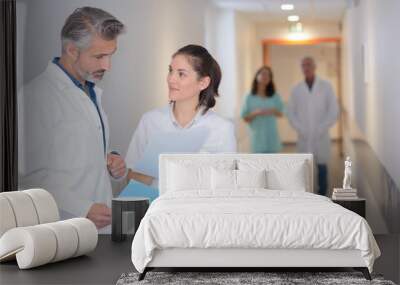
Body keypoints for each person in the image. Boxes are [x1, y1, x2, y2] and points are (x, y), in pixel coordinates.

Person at [19, 7, 127, 232]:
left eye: (110, 55)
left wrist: (110, 160)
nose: (107, 66)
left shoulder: (90, 90)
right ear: (71, 50)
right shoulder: (35, 96)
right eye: (99, 56)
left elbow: (75, 149)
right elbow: (22, 178)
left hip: (100, 230)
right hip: (61, 228)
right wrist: (81, 207)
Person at [125, 44, 237, 187]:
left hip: (200, 208)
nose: (171, 79)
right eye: (170, 71)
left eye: (181, 74)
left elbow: (227, 186)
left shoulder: (222, 128)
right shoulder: (150, 121)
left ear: (203, 82)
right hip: (158, 208)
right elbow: (132, 182)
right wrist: (152, 162)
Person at [287, 56, 339, 196]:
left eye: (309, 64)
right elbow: (290, 112)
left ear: (315, 67)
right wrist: (300, 128)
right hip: (303, 135)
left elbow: (333, 110)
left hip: (321, 135)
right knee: (304, 169)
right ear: (301, 68)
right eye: (303, 65)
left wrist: (322, 128)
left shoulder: (326, 86)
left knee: (322, 167)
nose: (306, 67)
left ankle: (322, 196)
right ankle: (307, 197)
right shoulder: (296, 89)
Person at [240, 66, 284, 153]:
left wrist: (273, 111)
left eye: (268, 75)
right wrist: (255, 113)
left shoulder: (274, 96)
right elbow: (245, 118)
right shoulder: (249, 96)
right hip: (257, 139)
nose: (266, 76)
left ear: (270, 79)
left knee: (273, 165)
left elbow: (281, 113)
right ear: (257, 76)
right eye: (263, 74)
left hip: (272, 138)